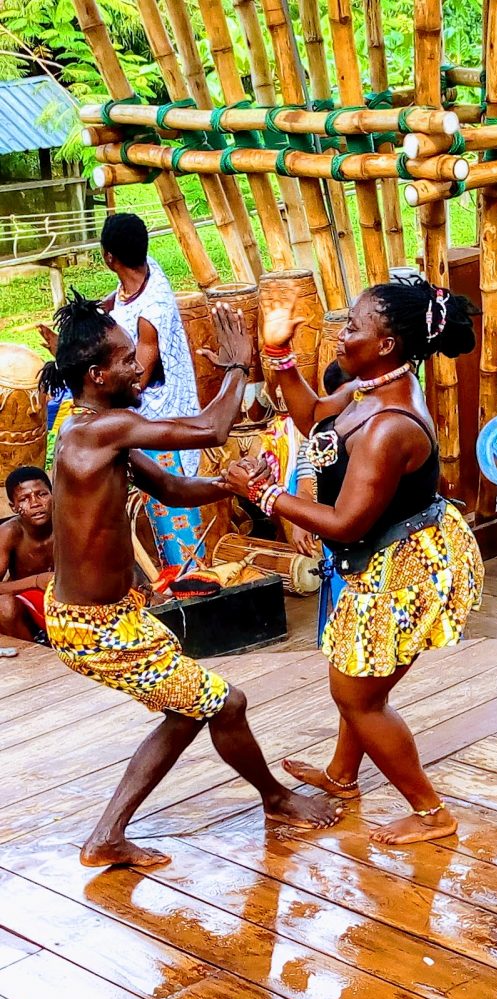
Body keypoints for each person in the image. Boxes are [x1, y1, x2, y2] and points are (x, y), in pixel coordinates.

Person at [38, 292, 340, 868]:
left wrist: (232, 488)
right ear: (97, 375)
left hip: (106, 617)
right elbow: (210, 427)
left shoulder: (100, 431)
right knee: (226, 704)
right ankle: (275, 798)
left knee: (194, 706)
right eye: (128, 359)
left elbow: (174, 490)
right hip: (95, 628)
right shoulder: (95, 432)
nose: (139, 366)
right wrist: (233, 367)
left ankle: (107, 837)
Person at [223, 277, 484, 845]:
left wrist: (264, 496)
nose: (342, 335)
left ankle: (431, 814)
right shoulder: (371, 387)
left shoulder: (389, 427)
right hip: (387, 551)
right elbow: (314, 417)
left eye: (354, 327)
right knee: (358, 678)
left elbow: (345, 523)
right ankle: (343, 776)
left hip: (408, 564)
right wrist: (278, 354)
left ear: (387, 344)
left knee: (356, 693)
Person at [100, 213, 203, 578]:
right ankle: (179, 579)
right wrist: (99, 311)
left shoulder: (152, 312)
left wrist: (101, 399)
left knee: (173, 508)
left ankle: (192, 583)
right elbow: (120, 296)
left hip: (161, 417)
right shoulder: (146, 270)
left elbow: (138, 377)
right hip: (149, 416)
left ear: (108, 256)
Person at [0, 467, 53, 641]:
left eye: (42, 494)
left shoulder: (68, 524)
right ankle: (35, 653)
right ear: (13, 507)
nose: (35, 503)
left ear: (54, 496)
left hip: (68, 599)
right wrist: (37, 581)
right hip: (28, 605)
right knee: (5, 607)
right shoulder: (9, 533)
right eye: (24, 499)